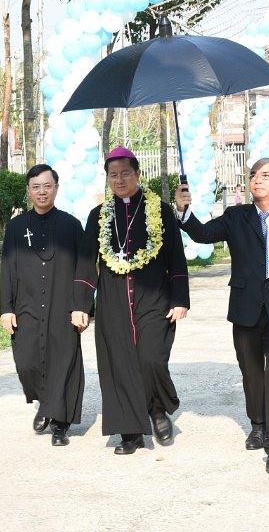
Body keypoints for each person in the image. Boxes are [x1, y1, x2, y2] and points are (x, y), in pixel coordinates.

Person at [175, 157, 269, 476]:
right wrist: (184, 212)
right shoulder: (236, 217)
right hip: (245, 308)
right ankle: (258, 425)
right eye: (254, 174)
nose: (258, 179)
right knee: (252, 373)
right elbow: (202, 234)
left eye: (266, 175)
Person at [72, 147, 190, 455]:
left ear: (138, 173)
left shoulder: (160, 211)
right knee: (119, 364)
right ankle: (130, 432)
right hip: (113, 301)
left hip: (154, 297)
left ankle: (157, 409)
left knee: (151, 358)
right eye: (113, 175)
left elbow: (176, 257)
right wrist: (81, 305)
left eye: (125, 173)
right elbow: (86, 263)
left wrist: (180, 298)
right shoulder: (98, 216)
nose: (119, 180)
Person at [0, 165, 85, 447]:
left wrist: (82, 306)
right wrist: (6, 308)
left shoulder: (72, 225)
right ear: (28, 190)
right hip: (27, 305)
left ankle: (60, 424)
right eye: (36, 186)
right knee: (26, 361)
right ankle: (46, 403)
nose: (42, 192)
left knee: (63, 362)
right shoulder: (16, 227)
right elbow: (7, 269)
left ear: (56, 188)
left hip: (63, 306)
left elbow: (84, 268)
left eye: (47, 186)